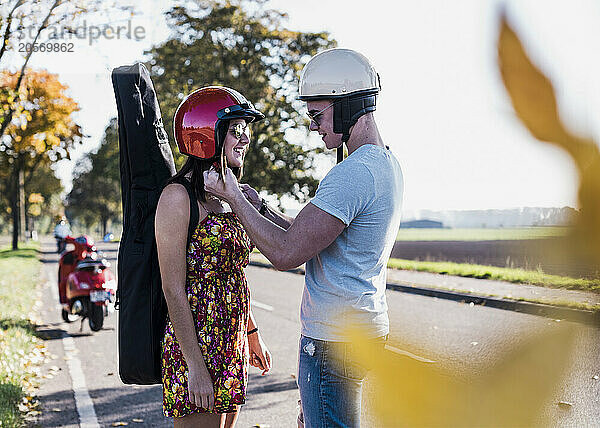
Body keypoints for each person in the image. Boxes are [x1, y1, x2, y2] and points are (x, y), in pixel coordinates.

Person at [204, 48, 404, 427]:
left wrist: (232, 197)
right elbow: (308, 236)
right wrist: (260, 208)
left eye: (317, 114)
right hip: (361, 331)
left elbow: (286, 253)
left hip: (333, 343)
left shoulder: (353, 173)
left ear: (349, 105)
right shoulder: (385, 163)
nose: (312, 126)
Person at [155, 86, 272, 428]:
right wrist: (195, 367)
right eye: (235, 130)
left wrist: (250, 332)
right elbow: (173, 289)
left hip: (230, 341)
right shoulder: (177, 198)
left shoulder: (228, 196)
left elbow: (232, 275)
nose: (245, 138)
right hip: (197, 346)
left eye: (245, 130)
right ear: (207, 134)